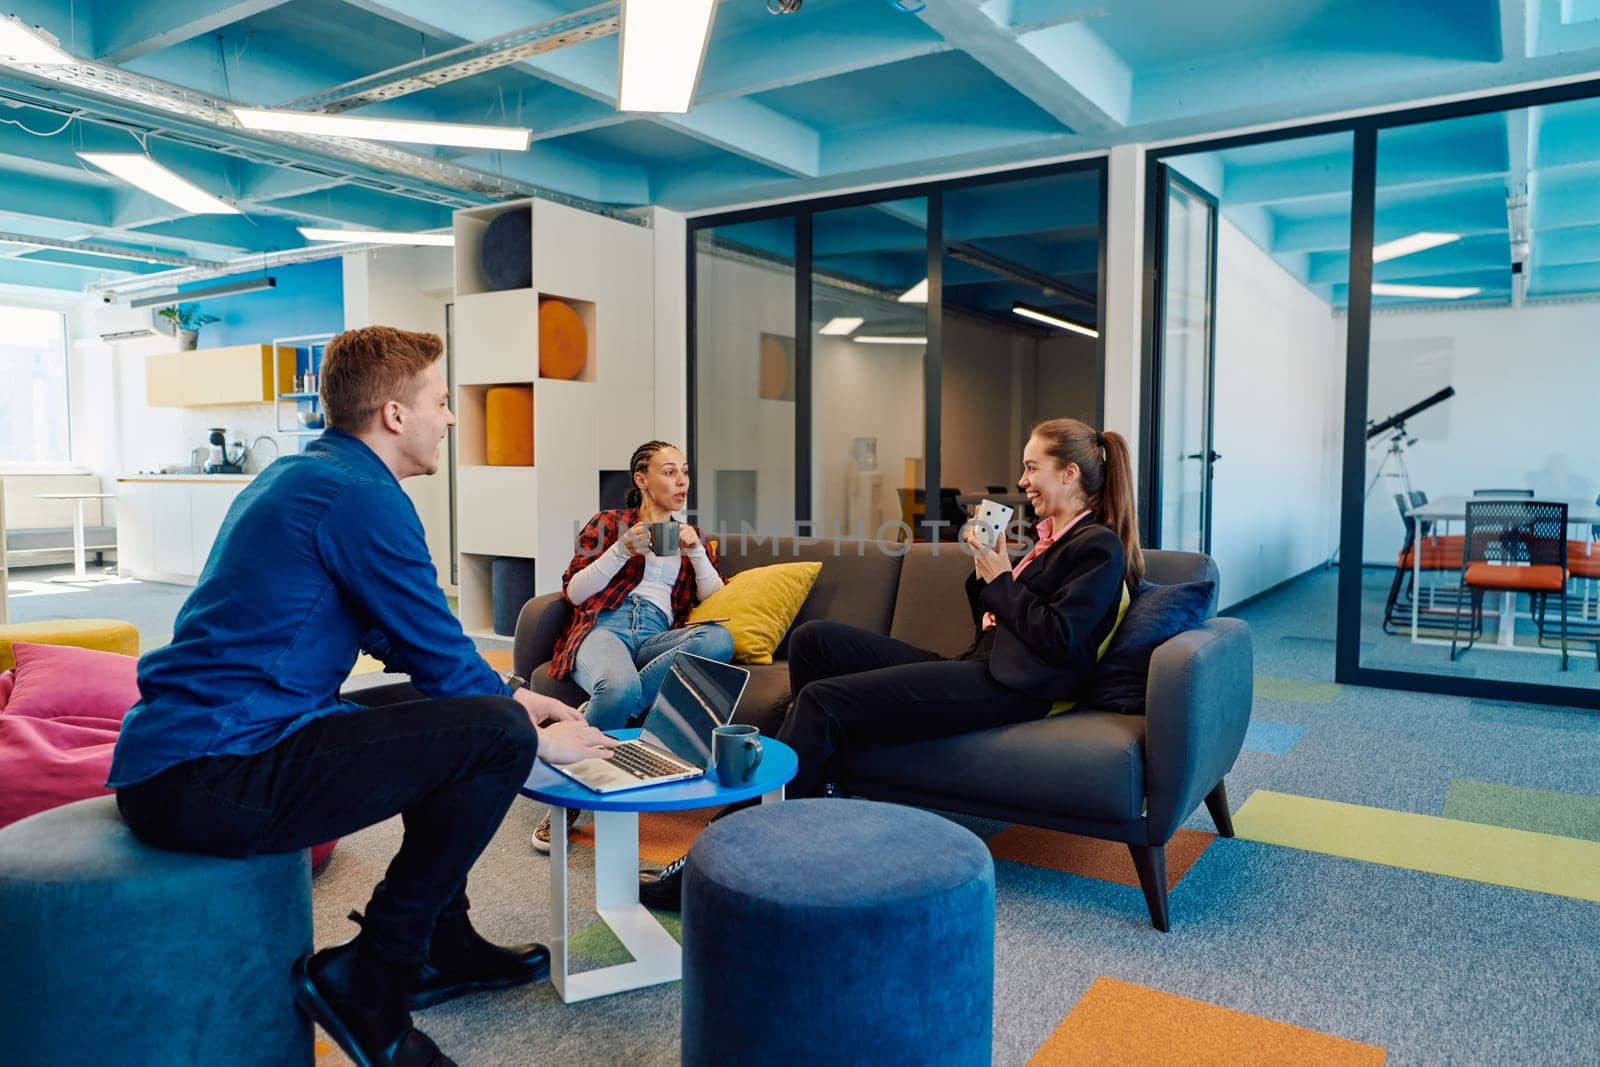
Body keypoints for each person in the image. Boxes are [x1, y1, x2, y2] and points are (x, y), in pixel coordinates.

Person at [108, 326, 617, 1067]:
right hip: (214, 773)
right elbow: (445, 660)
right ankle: (370, 976)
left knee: (454, 711)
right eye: (441, 402)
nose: (450, 417)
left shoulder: (312, 474)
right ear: (394, 414)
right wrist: (533, 733)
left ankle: (444, 942)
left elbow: (413, 645)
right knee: (496, 736)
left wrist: (513, 692)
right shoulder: (360, 497)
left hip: (196, 757)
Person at [638, 417, 1143, 909]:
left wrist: (1003, 581)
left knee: (822, 701)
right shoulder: (1051, 538)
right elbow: (998, 622)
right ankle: (822, 790)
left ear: (1069, 474)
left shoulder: (1096, 545)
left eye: (1032, 468)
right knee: (816, 641)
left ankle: (719, 853)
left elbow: (1061, 641)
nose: (1022, 481)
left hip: (1013, 687)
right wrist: (985, 573)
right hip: (983, 665)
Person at [534, 440, 735, 850]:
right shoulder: (609, 523)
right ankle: (570, 802)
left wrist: (696, 553)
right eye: (669, 472)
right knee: (620, 688)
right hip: (605, 626)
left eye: (685, 471)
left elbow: (714, 599)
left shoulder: (690, 535)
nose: (681, 481)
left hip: (657, 635)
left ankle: (592, 717)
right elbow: (572, 592)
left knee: (719, 639)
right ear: (642, 480)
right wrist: (621, 551)